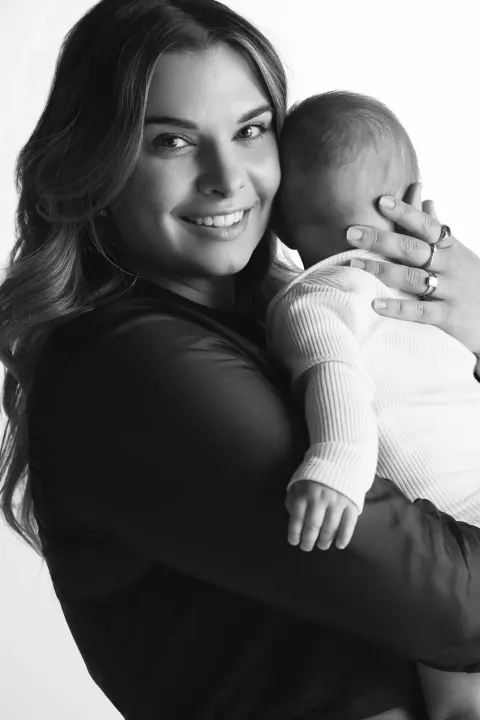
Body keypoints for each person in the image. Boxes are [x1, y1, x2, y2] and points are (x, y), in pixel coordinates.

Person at [1, 1, 480, 718]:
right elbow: (454, 604)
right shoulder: (133, 365)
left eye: (251, 130)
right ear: (96, 164)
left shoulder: (273, 318)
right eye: (171, 141)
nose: (227, 178)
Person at [267, 90, 480, 720]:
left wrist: (336, 463)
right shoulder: (441, 295)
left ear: (281, 228)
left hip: (446, 529)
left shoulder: (314, 298)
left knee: (460, 699)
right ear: (414, 200)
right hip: (465, 495)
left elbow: (335, 377)